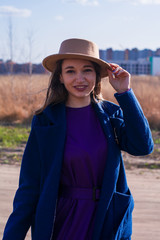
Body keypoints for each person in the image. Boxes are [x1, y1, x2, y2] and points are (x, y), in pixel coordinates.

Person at [2, 38, 154, 240]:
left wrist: (125, 93)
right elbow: (29, 185)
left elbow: (143, 146)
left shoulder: (111, 114)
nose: (79, 78)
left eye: (87, 70)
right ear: (61, 77)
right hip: (62, 220)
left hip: (105, 217)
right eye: (71, 71)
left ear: (96, 76)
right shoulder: (45, 120)